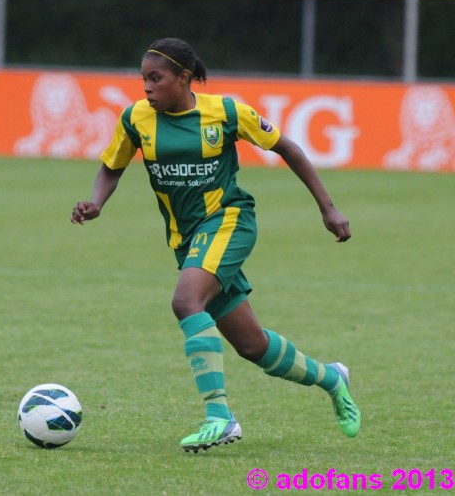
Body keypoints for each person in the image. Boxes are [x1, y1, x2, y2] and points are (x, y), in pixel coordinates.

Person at [71, 38, 361, 453]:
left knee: (187, 301)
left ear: (185, 78)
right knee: (252, 345)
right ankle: (333, 379)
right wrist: (95, 202)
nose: (147, 88)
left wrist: (328, 208)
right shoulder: (135, 118)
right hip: (187, 240)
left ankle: (219, 417)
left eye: (157, 78)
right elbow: (111, 166)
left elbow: (287, 148)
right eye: (143, 79)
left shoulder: (225, 112)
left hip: (229, 220)